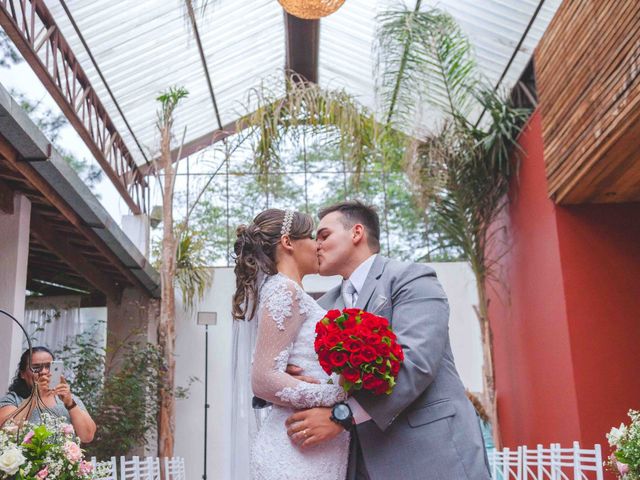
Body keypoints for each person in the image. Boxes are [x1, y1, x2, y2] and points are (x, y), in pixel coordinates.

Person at [284, 200, 491, 480]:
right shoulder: (320, 306)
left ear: (356, 233)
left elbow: (416, 363)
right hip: (359, 463)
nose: (316, 245)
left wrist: (342, 416)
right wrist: (292, 376)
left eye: (324, 235)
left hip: (430, 454)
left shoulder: (411, 278)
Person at [232, 209, 350, 480]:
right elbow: (263, 380)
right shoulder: (284, 291)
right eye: (310, 237)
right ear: (288, 243)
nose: (318, 245)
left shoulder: (292, 292)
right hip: (296, 447)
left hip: (311, 443)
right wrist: (340, 396)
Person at [0, 346, 96, 443]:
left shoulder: (69, 399)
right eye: (36, 367)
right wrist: (35, 396)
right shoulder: (13, 400)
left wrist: (70, 404)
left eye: (49, 367)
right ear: (23, 374)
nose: (44, 372)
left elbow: (87, 437)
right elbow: (7, 432)